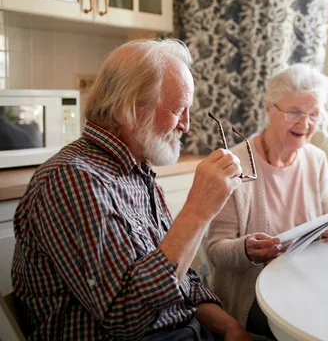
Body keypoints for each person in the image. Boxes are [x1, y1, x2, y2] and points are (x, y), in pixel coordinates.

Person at [11, 39, 259, 340]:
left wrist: (230, 326)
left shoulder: (138, 172)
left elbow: (183, 281)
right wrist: (198, 209)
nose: (186, 125)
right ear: (130, 108)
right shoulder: (72, 179)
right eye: (179, 109)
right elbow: (128, 318)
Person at [203, 64, 328, 339]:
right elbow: (214, 250)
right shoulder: (234, 163)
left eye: (314, 114)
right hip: (255, 297)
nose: (305, 124)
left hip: (308, 283)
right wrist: (247, 249)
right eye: (294, 112)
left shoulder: (316, 160)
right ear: (269, 108)